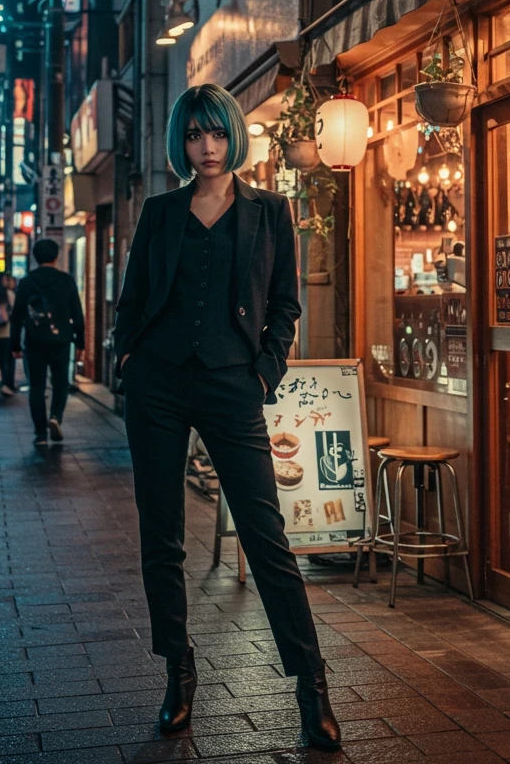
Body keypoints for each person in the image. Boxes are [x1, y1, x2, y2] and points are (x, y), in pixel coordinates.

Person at [112, 84, 340, 748]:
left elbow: (285, 307)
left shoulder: (270, 213)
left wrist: (265, 370)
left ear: (233, 137)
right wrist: (126, 358)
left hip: (232, 386)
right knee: (163, 538)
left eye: (215, 134)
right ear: (180, 143)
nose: (205, 148)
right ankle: (177, 673)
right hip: (156, 382)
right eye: (192, 136)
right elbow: (132, 297)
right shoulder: (159, 211)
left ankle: (310, 684)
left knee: (266, 539)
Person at [10, 239, 84, 446]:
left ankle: (40, 433)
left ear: (35, 257)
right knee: (61, 383)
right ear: (56, 256)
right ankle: (55, 416)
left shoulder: (26, 282)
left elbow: (17, 316)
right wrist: (81, 343)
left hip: (34, 341)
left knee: (37, 386)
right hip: (61, 340)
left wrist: (15, 344)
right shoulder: (66, 281)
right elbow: (77, 314)